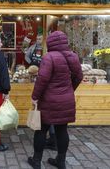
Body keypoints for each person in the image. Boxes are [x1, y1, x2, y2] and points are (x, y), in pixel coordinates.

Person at [27, 31, 83, 169]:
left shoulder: (49, 57)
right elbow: (79, 76)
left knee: (41, 130)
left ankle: (36, 160)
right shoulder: (73, 57)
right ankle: (61, 161)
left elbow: (42, 80)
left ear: (50, 43)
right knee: (62, 130)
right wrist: (70, 89)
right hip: (66, 99)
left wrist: (35, 97)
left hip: (48, 100)